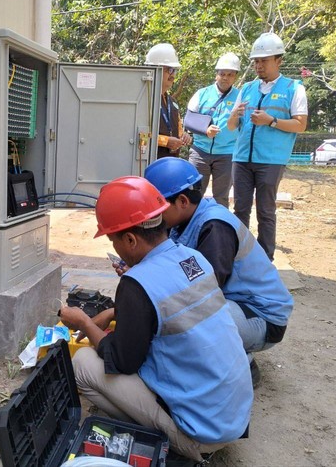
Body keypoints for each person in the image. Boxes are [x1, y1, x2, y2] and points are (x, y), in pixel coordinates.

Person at [59, 176, 252, 462]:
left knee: (83, 364)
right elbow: (172, 309)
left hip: (202, 434)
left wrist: (85, 323)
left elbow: (122, 362)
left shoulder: (136, 283)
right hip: (234, 415)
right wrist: (116, 312)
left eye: (114, 239)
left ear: (130, 239)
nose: (117, 247)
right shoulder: (192, 258)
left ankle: (167, 441)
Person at [144, 157, 294, 386]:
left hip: (261, 315)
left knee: (187, 321)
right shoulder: (182, 220)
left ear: (182, 201)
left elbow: (203, 293)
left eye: (157, 208)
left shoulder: (215, 227)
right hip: (237, 305)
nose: (153, 215)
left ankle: (241, 363)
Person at [227, 32, 308, 261]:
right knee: (240, 210)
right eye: (256, 61)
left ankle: (264, 260)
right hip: (242, 158)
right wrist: (234, 115)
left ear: (278, 60)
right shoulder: (247, 88)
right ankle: (238, 255)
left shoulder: (294, 88)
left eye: (264, 60)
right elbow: (232, 126)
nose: (258, 65)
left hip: (271, 161)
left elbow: (300, 125)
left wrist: (271, 121)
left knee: (265, 211)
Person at [186, 52, 241, 207]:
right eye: (222, 74)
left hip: (227, 154)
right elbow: (188, 120)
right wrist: (206, 130)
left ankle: (219, 228)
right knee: (193, 194)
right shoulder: (202, 93)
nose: (225, 78)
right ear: (216, 74)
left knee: (221, 198)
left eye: (230, 74)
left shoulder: (240, 96)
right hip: (200, 152)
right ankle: (190, 228)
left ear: (235, 76)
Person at [145, 43, 193, 159]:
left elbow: (178, 130)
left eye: (174, 71)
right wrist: (165, 141)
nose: (172, 75)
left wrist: (184, 136)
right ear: (155, 69)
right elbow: (138, 134)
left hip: (169, 164)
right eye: (169, 70)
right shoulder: (144, 100)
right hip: (148, 163)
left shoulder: (173, 102)